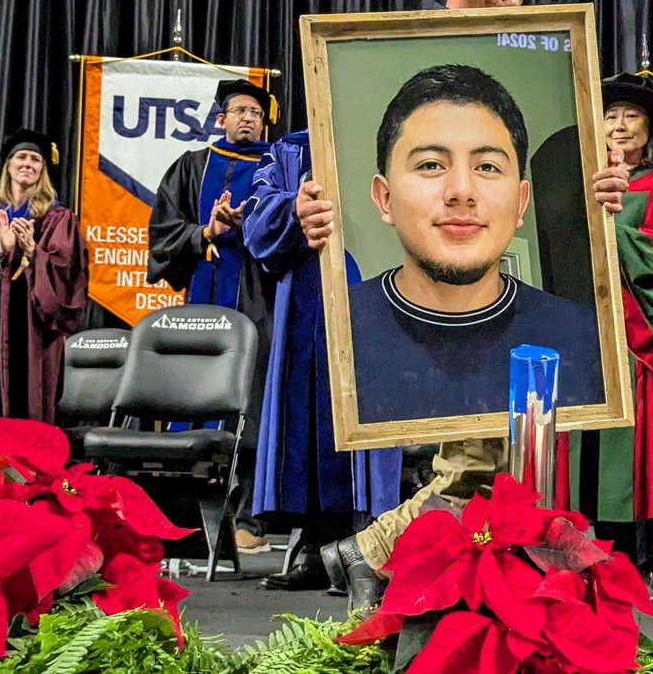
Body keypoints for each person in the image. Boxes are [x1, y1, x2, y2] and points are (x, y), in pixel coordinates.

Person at [300, 65, 618, 612]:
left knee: (492, 469)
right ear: (383, 197)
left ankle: (368, 552)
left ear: (521, 201)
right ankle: (374, 556)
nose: (461, 192)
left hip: (520, 349)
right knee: (478, 465)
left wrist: (605, 199)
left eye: (487, 167)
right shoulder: (355, 320)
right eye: (430, 165)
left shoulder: (569, 327)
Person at [241, 130, 403, 590]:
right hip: (306, 303)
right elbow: (255, 225)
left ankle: (367, 550)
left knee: (367, 421)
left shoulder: (394, 132)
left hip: (379, 292)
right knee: (310, 425)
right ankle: (317, 546)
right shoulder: (291, 151)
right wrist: (294, 209)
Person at [566, 72, 653, 601]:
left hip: (647, 340)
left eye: (632, 116)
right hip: (591, 334)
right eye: (610, 116)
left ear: (652, 128)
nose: (619, 126)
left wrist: (607, 227)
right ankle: (590, 557)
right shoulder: (580, 182)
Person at [147, 78, 278, 555]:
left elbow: (292, 230)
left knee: (254, 406)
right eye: (240, 111)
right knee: (195, 400)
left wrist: (252, 225)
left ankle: (249, 517)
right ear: (221, 118)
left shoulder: (277, 165)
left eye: (256, 113)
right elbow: (163, 227)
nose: (248, 118)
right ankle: (185, 518)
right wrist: (205, 230)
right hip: (203, 303)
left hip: (259, 302)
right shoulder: (193, 166)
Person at [0, 129, 88, 427]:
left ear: (43, 169)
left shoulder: (58, 219)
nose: (28, 164)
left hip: (35, 334)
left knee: (31, 406)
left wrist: (34, 252)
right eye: (21, 157)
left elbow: (67, 274)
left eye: (35, 159)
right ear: (8, 166)